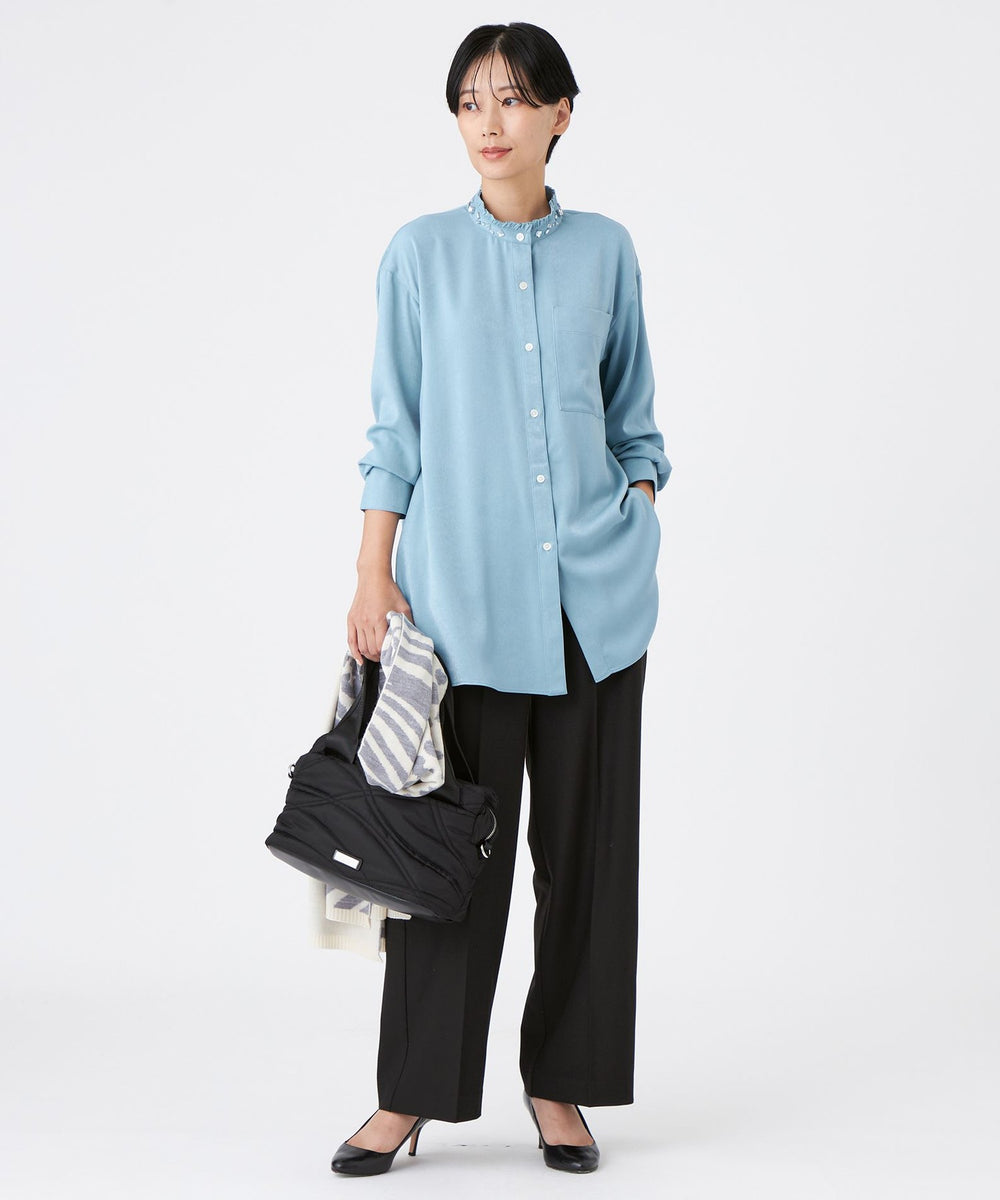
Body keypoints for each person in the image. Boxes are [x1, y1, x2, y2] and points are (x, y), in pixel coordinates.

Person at [335, 21, 672, 1176]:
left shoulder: (606, 252)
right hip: (461, 611)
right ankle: (410, 1097)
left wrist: (634, 506)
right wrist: (373, 570)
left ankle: (560, 1084)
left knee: (586, 866)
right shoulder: (418, 255)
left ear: (561, 114)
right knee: (446, 865)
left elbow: (635, 421)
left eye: (516, 99)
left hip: (593, 613)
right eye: (471, 101)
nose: (491, 122)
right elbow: (395, 430)